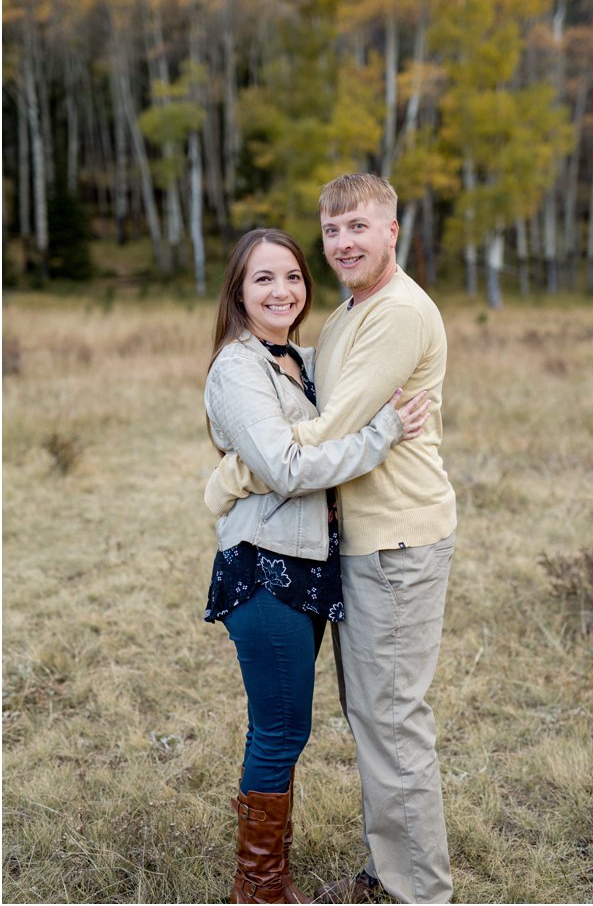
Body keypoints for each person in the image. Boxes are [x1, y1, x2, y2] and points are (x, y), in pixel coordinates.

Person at [206, 174, 458, 904]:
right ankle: (387, 875)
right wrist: (259, 459)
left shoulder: (396, 314)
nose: (344, 242)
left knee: (391, 721)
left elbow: (320, 436)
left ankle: (415, 891)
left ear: (392, 230)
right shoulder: (347, 316)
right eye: (334, 229)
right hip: (351, 545)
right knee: (374, 717)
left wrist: (238, 476)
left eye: (359, 226)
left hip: (398, 537)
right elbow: (287, 428)